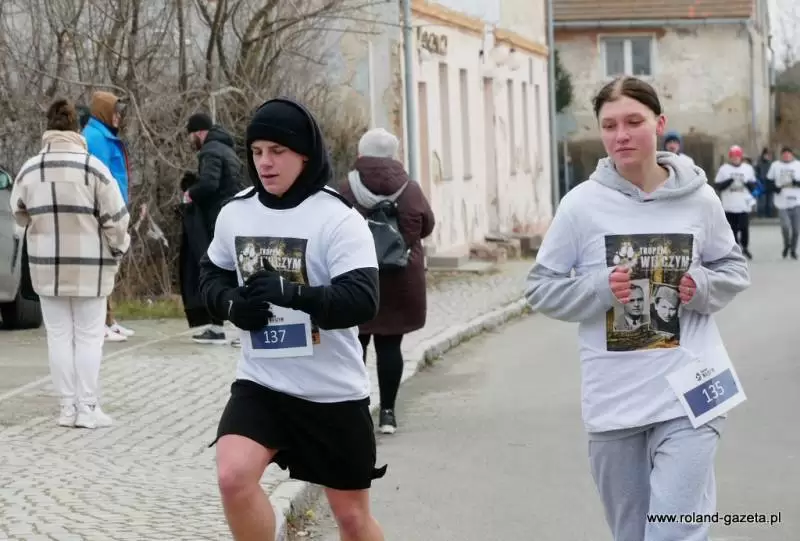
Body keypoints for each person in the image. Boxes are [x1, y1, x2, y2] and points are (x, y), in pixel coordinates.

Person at [524, 76, 750, 541]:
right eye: (610, 125)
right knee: (632, 533)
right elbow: (541, 288)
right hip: (615, 401)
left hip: (692, 392)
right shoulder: (581, 206)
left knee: (671, 532)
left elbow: (733, 267)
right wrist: (599, 287)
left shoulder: (700, 198)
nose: (621, 135)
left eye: (633, 122)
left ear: (659, 124)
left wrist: (701, 286)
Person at [198, 98, 386, 541]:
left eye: (277, 151)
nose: (264, 162)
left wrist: (293, 294)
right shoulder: (236, 212)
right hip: (262, 383)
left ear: (305, 155)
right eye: (257, 151)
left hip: (331, 391)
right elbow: (209, 275)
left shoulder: (338, 218)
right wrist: (231, 305)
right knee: (232, 476)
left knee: (351, 518)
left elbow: (362, 300)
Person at [10, 98, 130, 428]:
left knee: (59, 337)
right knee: (90, 337)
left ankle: (66, 408)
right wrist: (117, 250)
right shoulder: (94, 169)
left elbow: (18, 212)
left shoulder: (30, 170)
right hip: (91, 267)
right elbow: (117, 219)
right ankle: (88, 408)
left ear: (48, 128)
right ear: (77, 128)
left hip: (47, 267)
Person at [338, 128, 435, 434]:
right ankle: (388, 415)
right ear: (394, 156)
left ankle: (356, 412)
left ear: (360, 154)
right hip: (399, 279)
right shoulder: (410, 189)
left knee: (355, 347)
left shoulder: (346, 189)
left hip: (358, 278)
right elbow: (427, 225)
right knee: (390, 346)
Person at [179, 113, 245, 345]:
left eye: (191, 136)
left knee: (220, 272)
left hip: (218, 220)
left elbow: (210, 183)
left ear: (199, 132)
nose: (191, 141)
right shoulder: (228, 149)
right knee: (232, 271)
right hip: (233, 216)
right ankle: (222, 328)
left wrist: (190, 193)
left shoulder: (210, 150)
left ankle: (231, 330)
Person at [83, 91, 135, 342]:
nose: (118, 117)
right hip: (104, 211)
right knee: (102, 268)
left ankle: (109, 320)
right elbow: (98, 177)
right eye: (115, 112)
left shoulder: (104, 136)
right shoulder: (94, 137)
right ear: (104, 111)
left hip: (116, 207)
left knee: (110, 267)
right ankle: (100, 322)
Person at [714, 145, 757, 259]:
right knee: (732, 229)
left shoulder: (747, 169)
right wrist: (730, 180)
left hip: (743, 205)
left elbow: (753, 186)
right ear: (730, 157)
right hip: (729, 205)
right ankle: (736, 248)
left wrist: (746, 182)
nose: (735, 158)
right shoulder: (724, 169)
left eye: (737, 156)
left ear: (741, 157)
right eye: (733, 156)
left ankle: (745, 247)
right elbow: (718, 186)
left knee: (744, 227)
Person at [766, 146, 800, 259]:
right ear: (781, 155)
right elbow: (768, 182)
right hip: (782, 202)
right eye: (784, 155)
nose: (786, 156)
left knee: (796, 230)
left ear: (792, 155)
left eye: (788, 154)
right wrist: (775, 189)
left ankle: (793, 250)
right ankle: (786, 244)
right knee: (785, 226)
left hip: (796, 202)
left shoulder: (798, 165)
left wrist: (797, 183)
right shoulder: (775, 165)